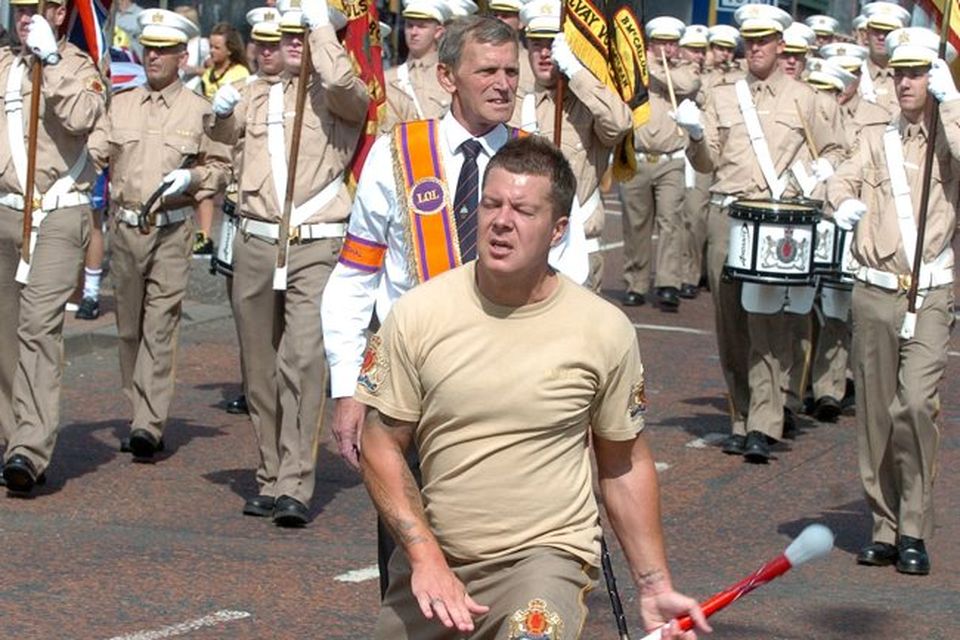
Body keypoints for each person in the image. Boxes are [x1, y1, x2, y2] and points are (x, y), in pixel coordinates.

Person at [356, 136, 709, 640]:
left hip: (546, 559)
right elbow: (379, 444)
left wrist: (653, 584)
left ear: (558, 229)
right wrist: (424, 556)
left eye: (523, 210)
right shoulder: (417, 314)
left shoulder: (603, 330)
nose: (502, 221)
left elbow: (622, 462)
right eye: (491, 204)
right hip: (441, 560)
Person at [321, 15, 521, 592]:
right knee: (408, 563)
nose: (503, 83)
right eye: (486, 70)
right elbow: (355, 276)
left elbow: (571, 279)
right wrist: (346, 387)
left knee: (498, 556)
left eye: (511, 71)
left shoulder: (534, 164)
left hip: (506, 386)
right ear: (446, 76)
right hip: (411, 388)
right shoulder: (396, 153)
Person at [207, 0, 368, 526]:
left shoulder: (337, 95)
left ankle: (296, 483)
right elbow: (218, 145)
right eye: (285, 37)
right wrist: (221, 113)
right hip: (255, 240)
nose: (291, 44)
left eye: (303, 36)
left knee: (300, 359)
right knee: (259, 368)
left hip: (315, 243)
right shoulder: (255, 93)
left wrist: (322, 28)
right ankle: (270, 474)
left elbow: (348, 90)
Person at [672, 3, 843, 462]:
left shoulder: (805, 98)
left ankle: (765, 424)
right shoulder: (724, 94)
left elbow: (834, 152)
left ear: (781, 44)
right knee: (731, 325)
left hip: (775, 220)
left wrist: (801, 183)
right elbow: (707, 162)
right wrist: (693, 136)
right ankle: (741, 416)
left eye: (765, 41)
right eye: (751, 41)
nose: (757, 48)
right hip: (727, 214)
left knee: (767, 322)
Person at [827, 27, 959, 577]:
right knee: (877, 416)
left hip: (928, 291)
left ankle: (914, 526)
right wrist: (841, 202)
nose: (905, 82)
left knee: (914, 406)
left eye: (917, 72)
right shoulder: (876, 133)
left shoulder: (949, 136)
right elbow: (843, 176)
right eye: (900, 72)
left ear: (936, 77)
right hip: (875, 291)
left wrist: (952, 109)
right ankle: (885, 527)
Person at [87, 9, 230, 460]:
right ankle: (137, 411)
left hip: (171, 231)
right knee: (128, 330)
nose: (153, 56)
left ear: (182, 58)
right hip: (126, 230)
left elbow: (222, 168)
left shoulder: (198, 110)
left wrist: (193, 180)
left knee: (160, 326)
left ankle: (150, 422)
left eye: (164, 50)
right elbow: (95, 153)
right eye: (149, 48)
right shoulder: (121, 103)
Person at [1, 0, 106, 492]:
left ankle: (30, 446)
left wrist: (54, 64)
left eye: (35, 9)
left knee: (38, 327)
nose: (25, 18)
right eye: (19, 9)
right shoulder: (3, 65)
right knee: (4, 335)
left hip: (58, 211)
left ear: (60, 13)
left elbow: (86, 116)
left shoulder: (77, 67)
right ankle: (9, 435)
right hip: (5, 208)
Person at [509, 0, 631, 291]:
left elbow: (620, 124)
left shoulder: (589, 107)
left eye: (550, 44)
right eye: (535, 43)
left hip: (578, 251)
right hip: (524, 249)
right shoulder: (517, 105)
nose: (543, 53)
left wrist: (577, 72)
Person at [620, 16, 700, 310]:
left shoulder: (685, 70)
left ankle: (668, 283)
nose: (666, 48)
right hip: (638, 158)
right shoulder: (635, 72)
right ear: (650, 44)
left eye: (671, 43)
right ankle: (636, 282)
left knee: (670, 221)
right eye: (660, 43)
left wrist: (653, 68)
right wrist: (644, 67)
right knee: (636, 224)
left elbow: (687, 84)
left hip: (671, 161)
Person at [196, 22, 251, 257]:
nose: (212, 51)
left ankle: (233, 240)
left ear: (230, 49)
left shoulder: (240, 74)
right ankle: (204, 236)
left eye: (217, 47)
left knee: (230, 188)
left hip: (230, 137)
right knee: (204, 187)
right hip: (209, 134)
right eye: (210, 46)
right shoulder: (208, 74)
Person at [384, 0, 451, 122]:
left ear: (438, 32)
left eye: (421, 26)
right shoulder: (387, 78)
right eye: (409, 25)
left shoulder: (450, 76)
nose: (413, 32)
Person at [858, 1, 910, 114]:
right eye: (876, 31)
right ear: (866, 34)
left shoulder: (909, 80)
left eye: (888, 32)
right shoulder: (854, 74)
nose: (881, 37)